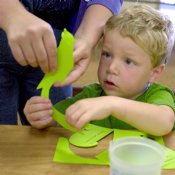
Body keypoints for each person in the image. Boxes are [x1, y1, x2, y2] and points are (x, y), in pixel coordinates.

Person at [24, 4, 175, 136]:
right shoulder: (91, 95)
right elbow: (63, 120)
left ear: (154, 73)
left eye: (128, 61)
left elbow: (164, 122)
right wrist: (46, 117)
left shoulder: (158, 95)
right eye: (107, 54)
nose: (111, 68)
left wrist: (112, 105)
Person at [0, 0, 123, 125]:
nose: (112, 68)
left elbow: (59, 121)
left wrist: (86, 38)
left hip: (59, 48)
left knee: (52, 129)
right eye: (107, 55)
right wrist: (11, 13)